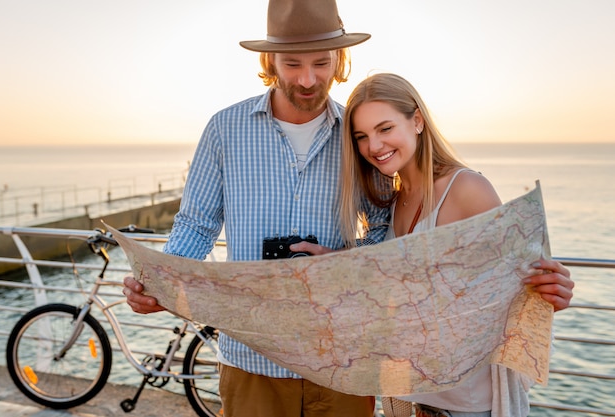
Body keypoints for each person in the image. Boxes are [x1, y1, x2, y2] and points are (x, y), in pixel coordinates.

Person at [122, 1, 389, 416]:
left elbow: (383, 230)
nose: (307, 79)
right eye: (292, 62)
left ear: (340, 59)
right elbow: (196, 224)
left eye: (321, 62)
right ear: (270, 59)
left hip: (341, 358)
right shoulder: (224, 129)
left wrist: (340, 262)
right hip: (251, 360)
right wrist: (161, 280)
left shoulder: (360, 136)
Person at [335, 72, 574, 417]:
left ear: (416, 121)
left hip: (468, 406)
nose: (374, 146)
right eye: (362, 136)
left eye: (385, 129)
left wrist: (554, 291)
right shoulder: (390, 201)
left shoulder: (466, 189)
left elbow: (524, 285)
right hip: (408, 401)